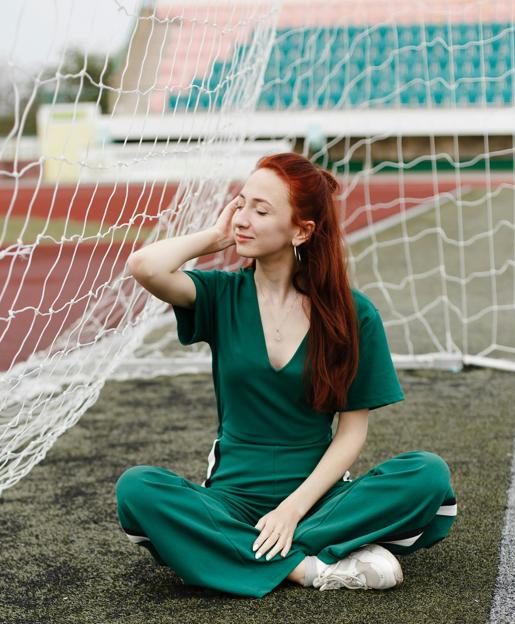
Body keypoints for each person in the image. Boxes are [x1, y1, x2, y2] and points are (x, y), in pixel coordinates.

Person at [115, 152, 457, 599]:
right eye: (241, 204)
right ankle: (309, 568)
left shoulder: (353, 315)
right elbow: (145, 266)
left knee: (428, 476)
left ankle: (231, 554)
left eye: (261, 210)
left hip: (321, 500)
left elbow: (352, 433)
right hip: (230, 502)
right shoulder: (220, 295)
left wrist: (292, 510)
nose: (243, 219)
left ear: (301, 230)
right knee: (138, 490)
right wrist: (214, 237)